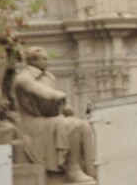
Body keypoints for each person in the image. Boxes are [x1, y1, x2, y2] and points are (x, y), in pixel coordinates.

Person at [10, 46, 95, 183]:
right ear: (32, 60)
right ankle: (72, 168)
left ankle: (89, 169)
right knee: (71, 125)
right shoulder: (23, 78)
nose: (46, 62)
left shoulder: (49, 77)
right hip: (31, 123)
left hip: (47, 119)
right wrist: (62, 98)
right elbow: (45, 95)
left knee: (83, 125)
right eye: (43, 59)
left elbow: (50, 102)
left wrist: (64, 108)